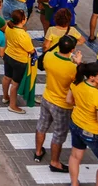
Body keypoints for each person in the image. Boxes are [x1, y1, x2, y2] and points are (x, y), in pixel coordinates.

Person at [34, 34, 82, 172]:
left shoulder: (49, 57)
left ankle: (38, 152)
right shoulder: (72, 68)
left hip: (47, 96)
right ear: (72, 50)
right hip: (62, 104)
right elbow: (79, 82)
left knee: (42, 126)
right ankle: (55, 162)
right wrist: (78, 63)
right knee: (59, 134)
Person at [2, 9, 36, 114]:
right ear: (22, 20)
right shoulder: (23, 35)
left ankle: (5, 97)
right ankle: (12, 105)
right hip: (19, 60)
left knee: (7, 77)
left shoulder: (9, 27)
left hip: (8, 55)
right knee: (15, 84)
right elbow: (30, 50)